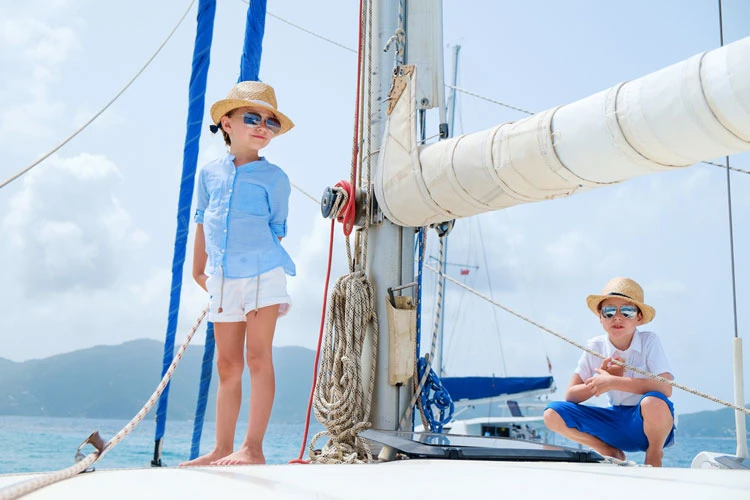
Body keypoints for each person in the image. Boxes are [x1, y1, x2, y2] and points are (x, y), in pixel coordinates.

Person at [180, 81, 296, 466]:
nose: (263, 126)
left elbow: (277, 227)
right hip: (222, 278)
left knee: (258, 357)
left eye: (271, 122)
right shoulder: (208, 175)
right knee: (227, 364)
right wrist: (199, 270)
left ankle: (254, 448)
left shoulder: (275, 178)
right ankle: (221, 447)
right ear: (227, 123)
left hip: (264, 273)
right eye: (252, 118)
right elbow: (202, 221)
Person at [543, 277, 675, 467]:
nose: (617, 317)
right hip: (614, 422)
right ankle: (607, 450)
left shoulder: (649, 341)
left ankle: (654, 454)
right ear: (600, 317)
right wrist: (599, 380)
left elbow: (666, 388)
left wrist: (613, 381)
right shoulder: (594, 346)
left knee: (653, 401)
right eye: (609, 311)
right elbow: (570, 396)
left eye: (627, 311)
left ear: (639, 318)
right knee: (552, 414)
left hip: (647, 423)